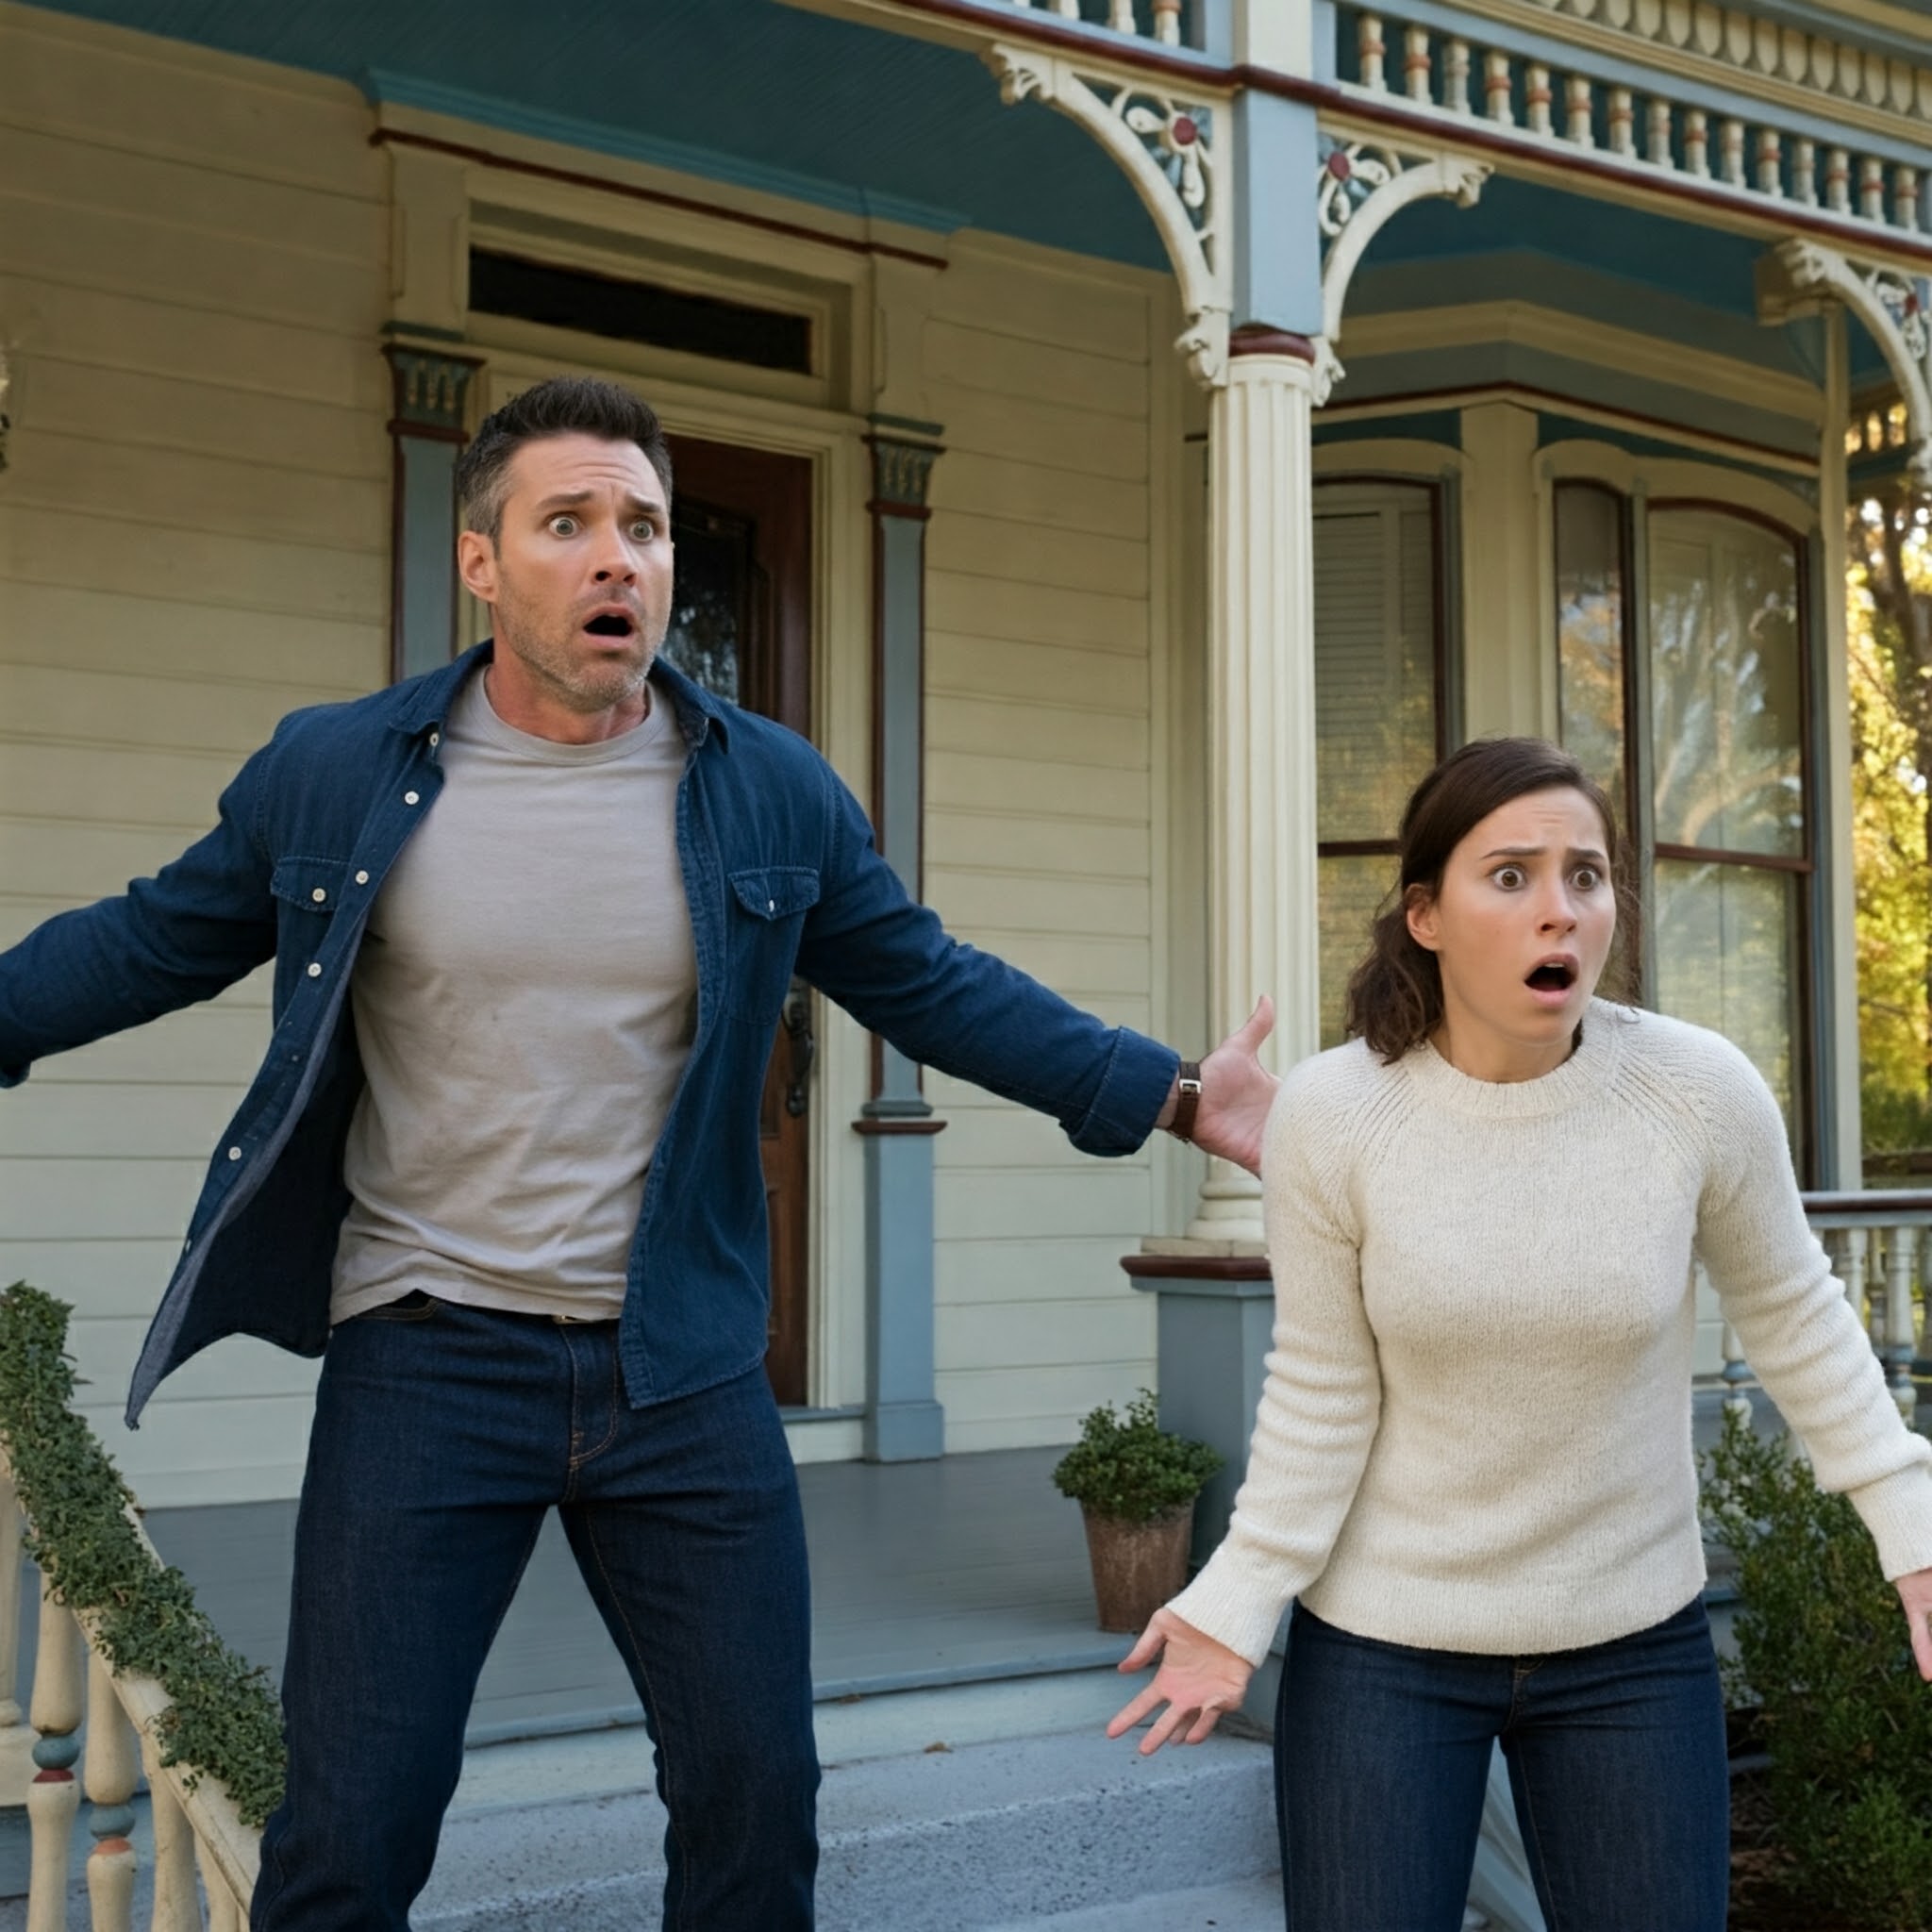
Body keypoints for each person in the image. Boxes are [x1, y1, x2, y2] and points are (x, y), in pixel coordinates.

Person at [0, 375, 1278, 1932]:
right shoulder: (336, 772)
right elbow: (148, 940)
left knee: (752, 1805)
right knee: (352, 1823)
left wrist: (1170, 1093)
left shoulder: (769, 791)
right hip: (424, 1354)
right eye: (569, 523)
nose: (619, 557)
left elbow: (929, 981)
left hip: (679, 1368)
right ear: (482, 561)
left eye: (646, 526)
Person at [1108, 737, 1932, 1932]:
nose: (1559, 909)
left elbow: (1797, 1317)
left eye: (1584, 876)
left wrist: (1909, 1525)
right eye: (1510, 875)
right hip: (1383, 1647)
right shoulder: (1334, 1115)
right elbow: (1321, 1394)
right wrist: (1236, 1598)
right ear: (1425, 914)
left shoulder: (1698, 1091)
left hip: (1631, 1644)